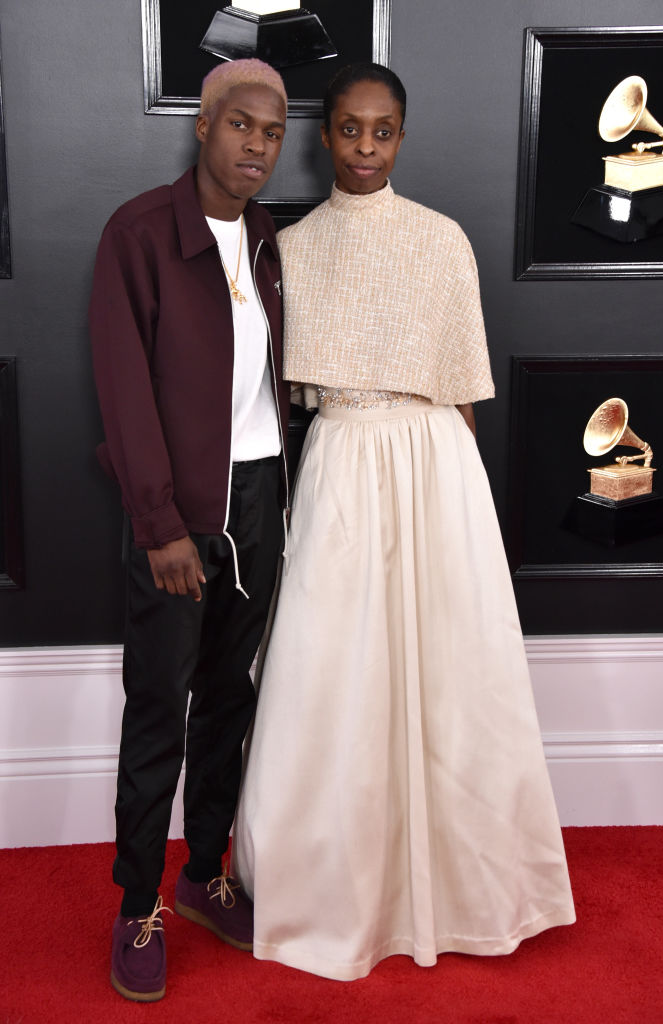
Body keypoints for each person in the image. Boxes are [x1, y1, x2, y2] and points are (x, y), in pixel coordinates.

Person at [232, 62, 576, 981]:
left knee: (452, 669)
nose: (365, 148)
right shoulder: (291, 250)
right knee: (332, 670)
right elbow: (277, 398)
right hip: (341, 460)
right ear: (324, 137)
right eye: (349, 129)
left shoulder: (442, 241)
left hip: (436, 470)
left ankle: (471, 884)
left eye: (382, 131)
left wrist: (462, 511)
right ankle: (335, 887)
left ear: (402, 137)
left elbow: (462, 393)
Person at [90, 59, 290, 1002]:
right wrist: (160, 524)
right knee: (159, 710)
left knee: (228, 703)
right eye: (241, 125)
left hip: (260, 499)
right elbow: (124, 389)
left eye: (274, 132)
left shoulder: (270, 238)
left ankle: (203, 874)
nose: (258, 145)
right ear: (203, 126)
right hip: (179, 514)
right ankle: (138, 905)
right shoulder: (139, 233)